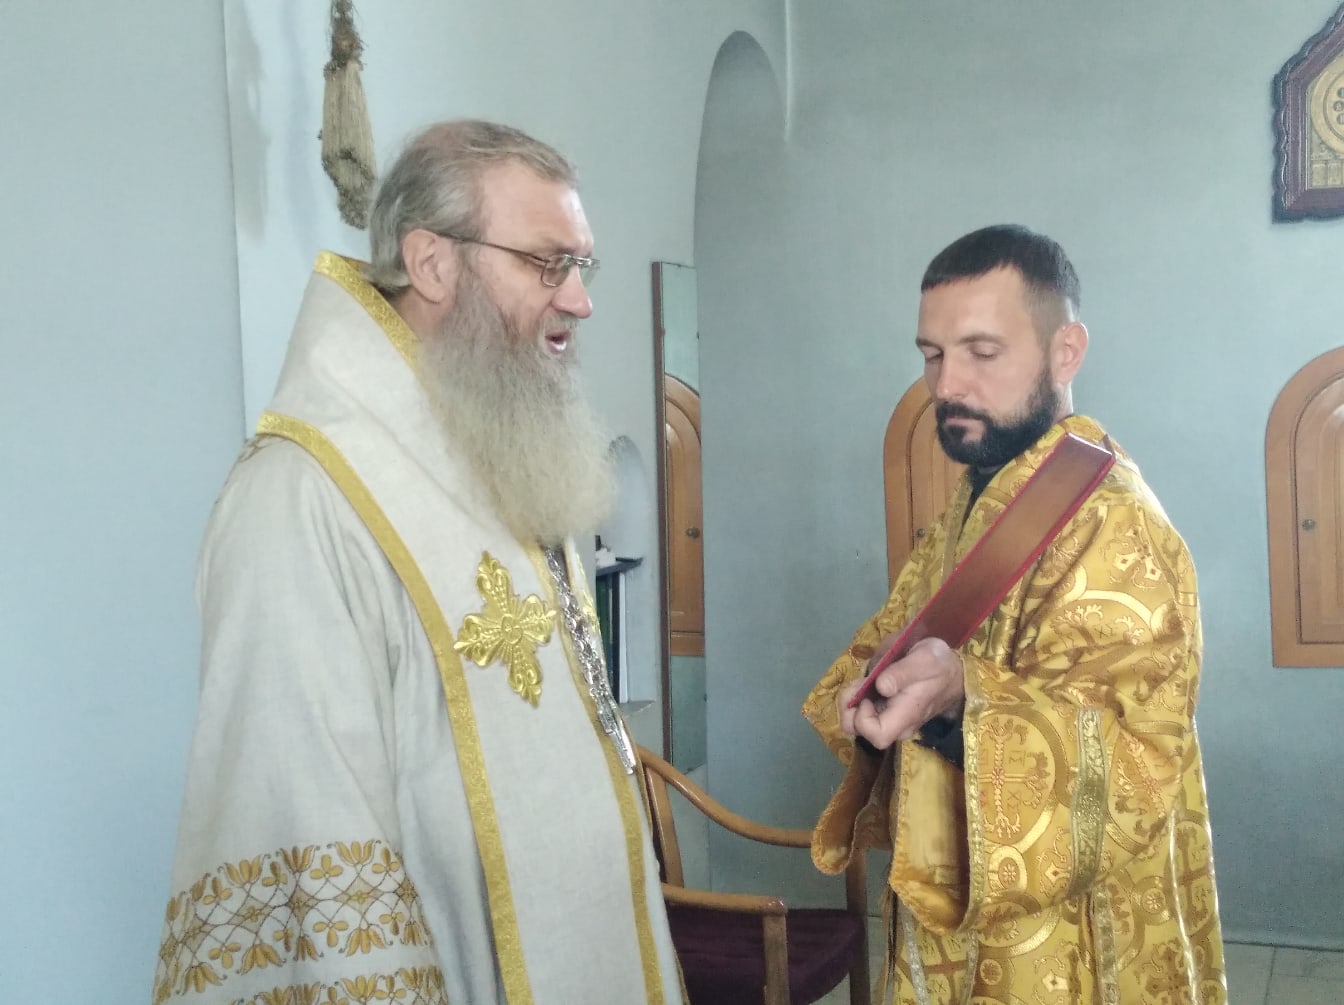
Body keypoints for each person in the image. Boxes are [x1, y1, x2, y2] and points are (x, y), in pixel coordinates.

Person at [152, 120, 685, 1005]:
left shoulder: (505, 443)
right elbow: (307, 836)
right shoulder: (302, 497)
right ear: (433, 263)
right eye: (546, 263)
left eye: (580, 265)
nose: (579, 300)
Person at [802, 225, 1226, 1004]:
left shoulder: (1116, 524)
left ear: (1066, 352)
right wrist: (874, 692)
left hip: (1067, 949)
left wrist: (965, 697)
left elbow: (1138, 766)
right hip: (954, 922)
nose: (948, 384)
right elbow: (896, 639)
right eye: (932, 354)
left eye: (982, 352)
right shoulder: (980, 499)